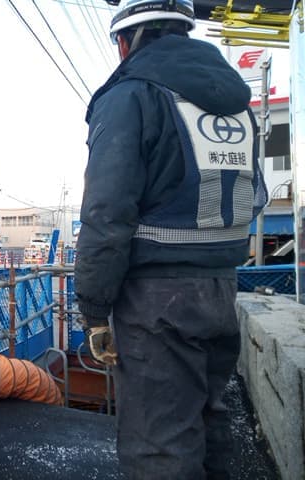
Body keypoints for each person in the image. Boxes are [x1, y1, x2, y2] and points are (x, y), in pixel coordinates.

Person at [74, 0, 267, 478]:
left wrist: (94, 310)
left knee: (158, 445)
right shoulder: (236, 103)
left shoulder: (132, 95)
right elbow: (255, 195)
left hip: (156, 304)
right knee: (209, 426)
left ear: (127, 41)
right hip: (221, 289)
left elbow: (106, 213)